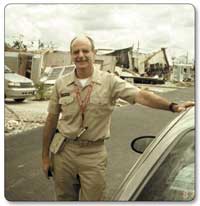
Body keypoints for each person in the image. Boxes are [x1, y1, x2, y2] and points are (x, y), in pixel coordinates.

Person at [42, 35, 194, 201]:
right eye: (76, 51)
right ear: (71, 55)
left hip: (93, 154)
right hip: (64, 152)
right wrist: (45, 157)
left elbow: (141, 96)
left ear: (94, 53)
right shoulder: (61, 84)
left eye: (85, 51)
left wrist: (172, 106)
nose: (80, 55)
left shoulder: (110, 82)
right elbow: (51, 120)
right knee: (63, 199)